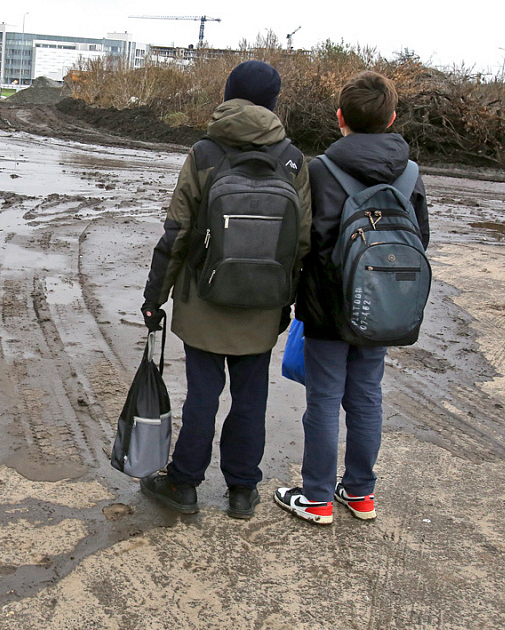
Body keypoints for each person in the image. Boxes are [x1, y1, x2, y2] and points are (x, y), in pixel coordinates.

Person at [140, 60, 311, 519]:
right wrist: (286, 301)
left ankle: (184, 483)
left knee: (203, 393)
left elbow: (176, 233)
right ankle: (241, 491)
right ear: (274, 103)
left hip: (203, 300)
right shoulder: (294, 160)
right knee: (252, 397)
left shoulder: (204, 153)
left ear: (228, 93)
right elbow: (302, 241)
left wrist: (154, 297)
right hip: (262, 304)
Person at [274, 71, 431, 524]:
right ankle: (360, 493)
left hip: (327, 306)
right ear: (392, 118)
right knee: (366, 396)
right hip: (382, 304)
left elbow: (304, 241)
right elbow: (421, 239)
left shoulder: (319, 169)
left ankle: (318, 497)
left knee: (323, 400)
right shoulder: (411, 173)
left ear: (339, 117)